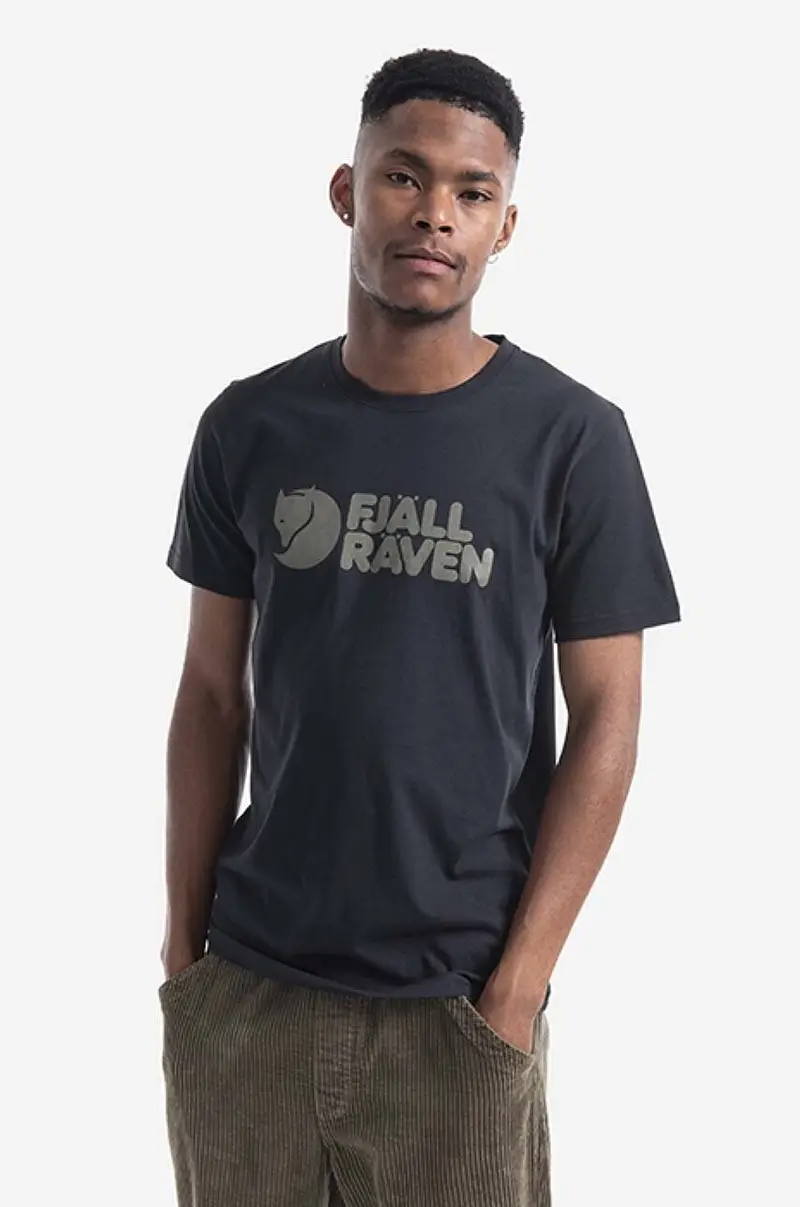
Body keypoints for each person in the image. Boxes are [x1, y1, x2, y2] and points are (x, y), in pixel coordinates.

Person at [159, 46, 681, 1207]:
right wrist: (183, 952)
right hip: (250, 992)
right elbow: (210, 693)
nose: (434, 212)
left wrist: (516, 988)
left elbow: (607, 715)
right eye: (403, 176)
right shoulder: (249, 426)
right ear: (347, 191)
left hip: (458, 1006)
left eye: (471, 192)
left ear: (503, 227)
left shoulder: (571, 440)